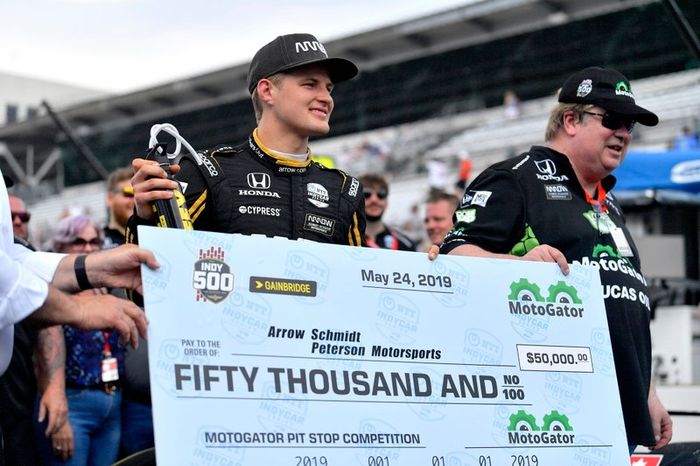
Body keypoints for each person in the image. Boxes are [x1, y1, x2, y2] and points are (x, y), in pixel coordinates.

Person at [438, 67, 672, 452]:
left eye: (629, 125)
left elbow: (624, 302)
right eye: (612, 119)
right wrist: (519, 265)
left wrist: (647, 391)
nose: (624, 134)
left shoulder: (610, 202)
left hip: (626, 403)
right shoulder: (515, 179)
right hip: (555, 409)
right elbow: (453, 255)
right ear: (570, 120)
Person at [127, 33, 365, 247]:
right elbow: (153, 276)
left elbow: (360, 285)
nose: (326, 98)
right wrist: (144, 217)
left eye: (329, 88)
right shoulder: (209, 172)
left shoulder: (345, 190)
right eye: (310, 84)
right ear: (267, 91)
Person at [36, 215, 125, 465]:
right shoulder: (51, 293)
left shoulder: (106, 287)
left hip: (112, 402)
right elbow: (43, 353)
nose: (88, 248)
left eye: (94, 241)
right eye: (78, 242)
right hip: (73, 405)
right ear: (61, 246)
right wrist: (60, 415)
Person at [359, 174, 416, 251]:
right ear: (356, 200)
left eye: (381, 194)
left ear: (387, 202)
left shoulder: (406, 245)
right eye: (367, 194)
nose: (374, 200)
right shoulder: (343, 240)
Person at [103, 167, 135, 250]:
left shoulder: (152, 236)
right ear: (110, 198)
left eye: (139, 194)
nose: (136, 200)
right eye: (129, 194)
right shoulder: (95, 241)